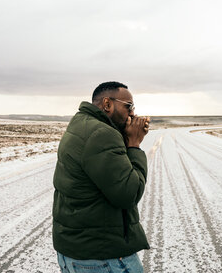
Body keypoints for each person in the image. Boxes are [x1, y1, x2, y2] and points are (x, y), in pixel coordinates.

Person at [53, 81, 150, 273]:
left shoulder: (83, 123)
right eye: (128, 106)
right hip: (102, 256)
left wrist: (125, 134)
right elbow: (129, 193)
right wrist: (134, 144)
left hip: (77, 250)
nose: (132, 113)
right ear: (107, 104)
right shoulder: (101, 134)